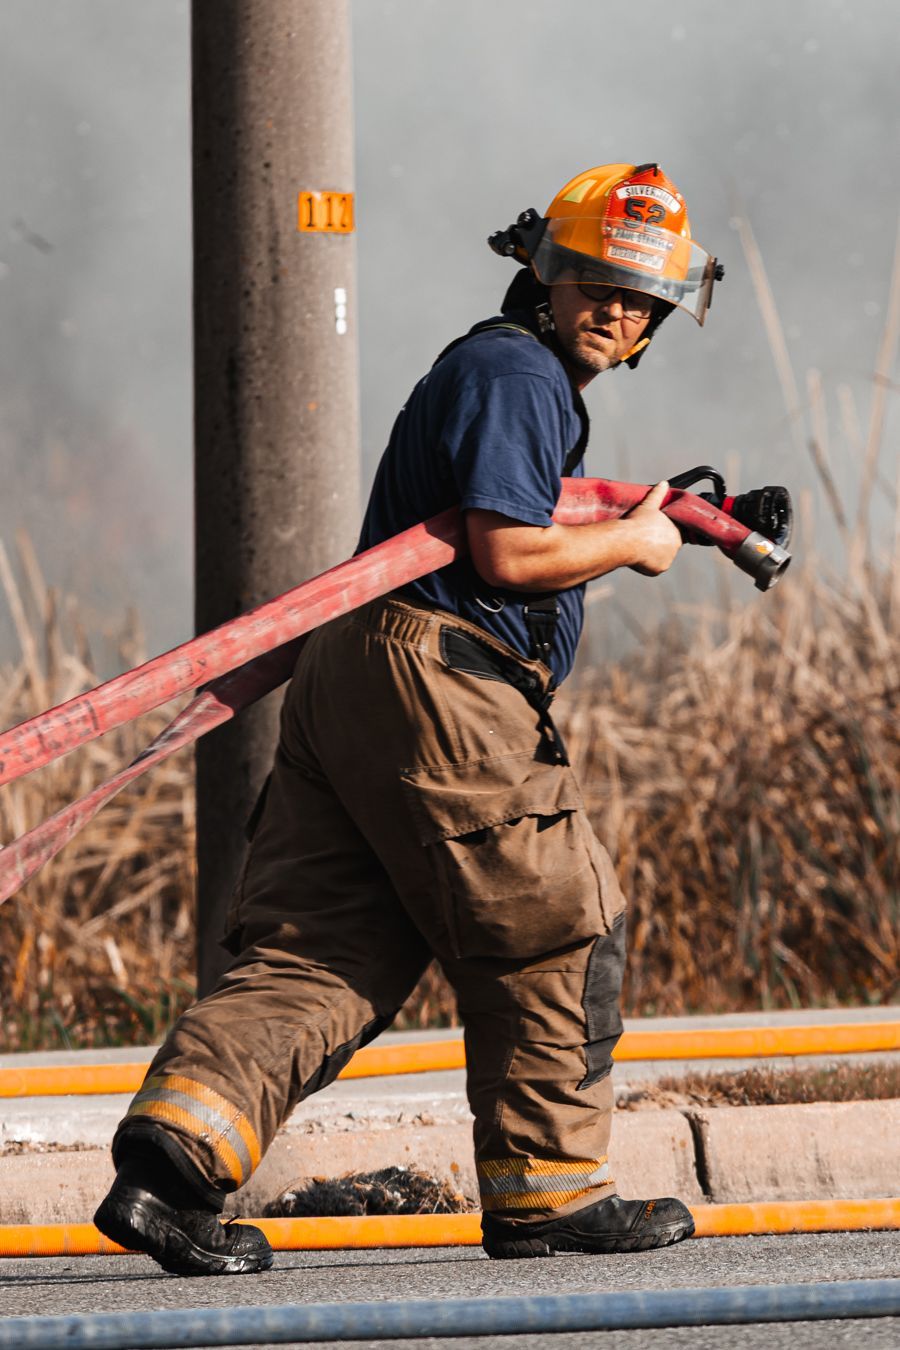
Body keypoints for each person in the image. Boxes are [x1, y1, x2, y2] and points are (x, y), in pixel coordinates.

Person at [95, 162, 723, 1275]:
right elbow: (508, 553)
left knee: (325, 951)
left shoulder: (505, 376)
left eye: (642, 301)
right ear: (544, 270)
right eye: (595, 283)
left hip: (365, 681)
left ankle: (170, 1171)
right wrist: (636, 543)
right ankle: (551, 1195)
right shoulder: (516, 372)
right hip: (443, 681)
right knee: (553, 927)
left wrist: (674, 514)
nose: (618, 312)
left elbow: (512, 522)